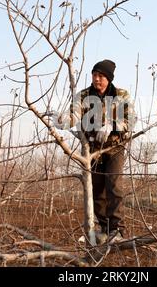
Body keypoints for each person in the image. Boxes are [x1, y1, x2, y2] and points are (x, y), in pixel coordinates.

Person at [53, 59, 136, 244]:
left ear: (108, 78)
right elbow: (74, 115)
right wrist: (62, 120)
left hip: (114, 147)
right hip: (93, 150)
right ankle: (105, 228)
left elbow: (131, 120)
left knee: (113, 185)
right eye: (94, 75)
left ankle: (118, 230)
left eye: (101, 76)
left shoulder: (121, 95)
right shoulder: (83, 95)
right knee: (97, 189)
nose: (96, 79)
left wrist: (112, 126)